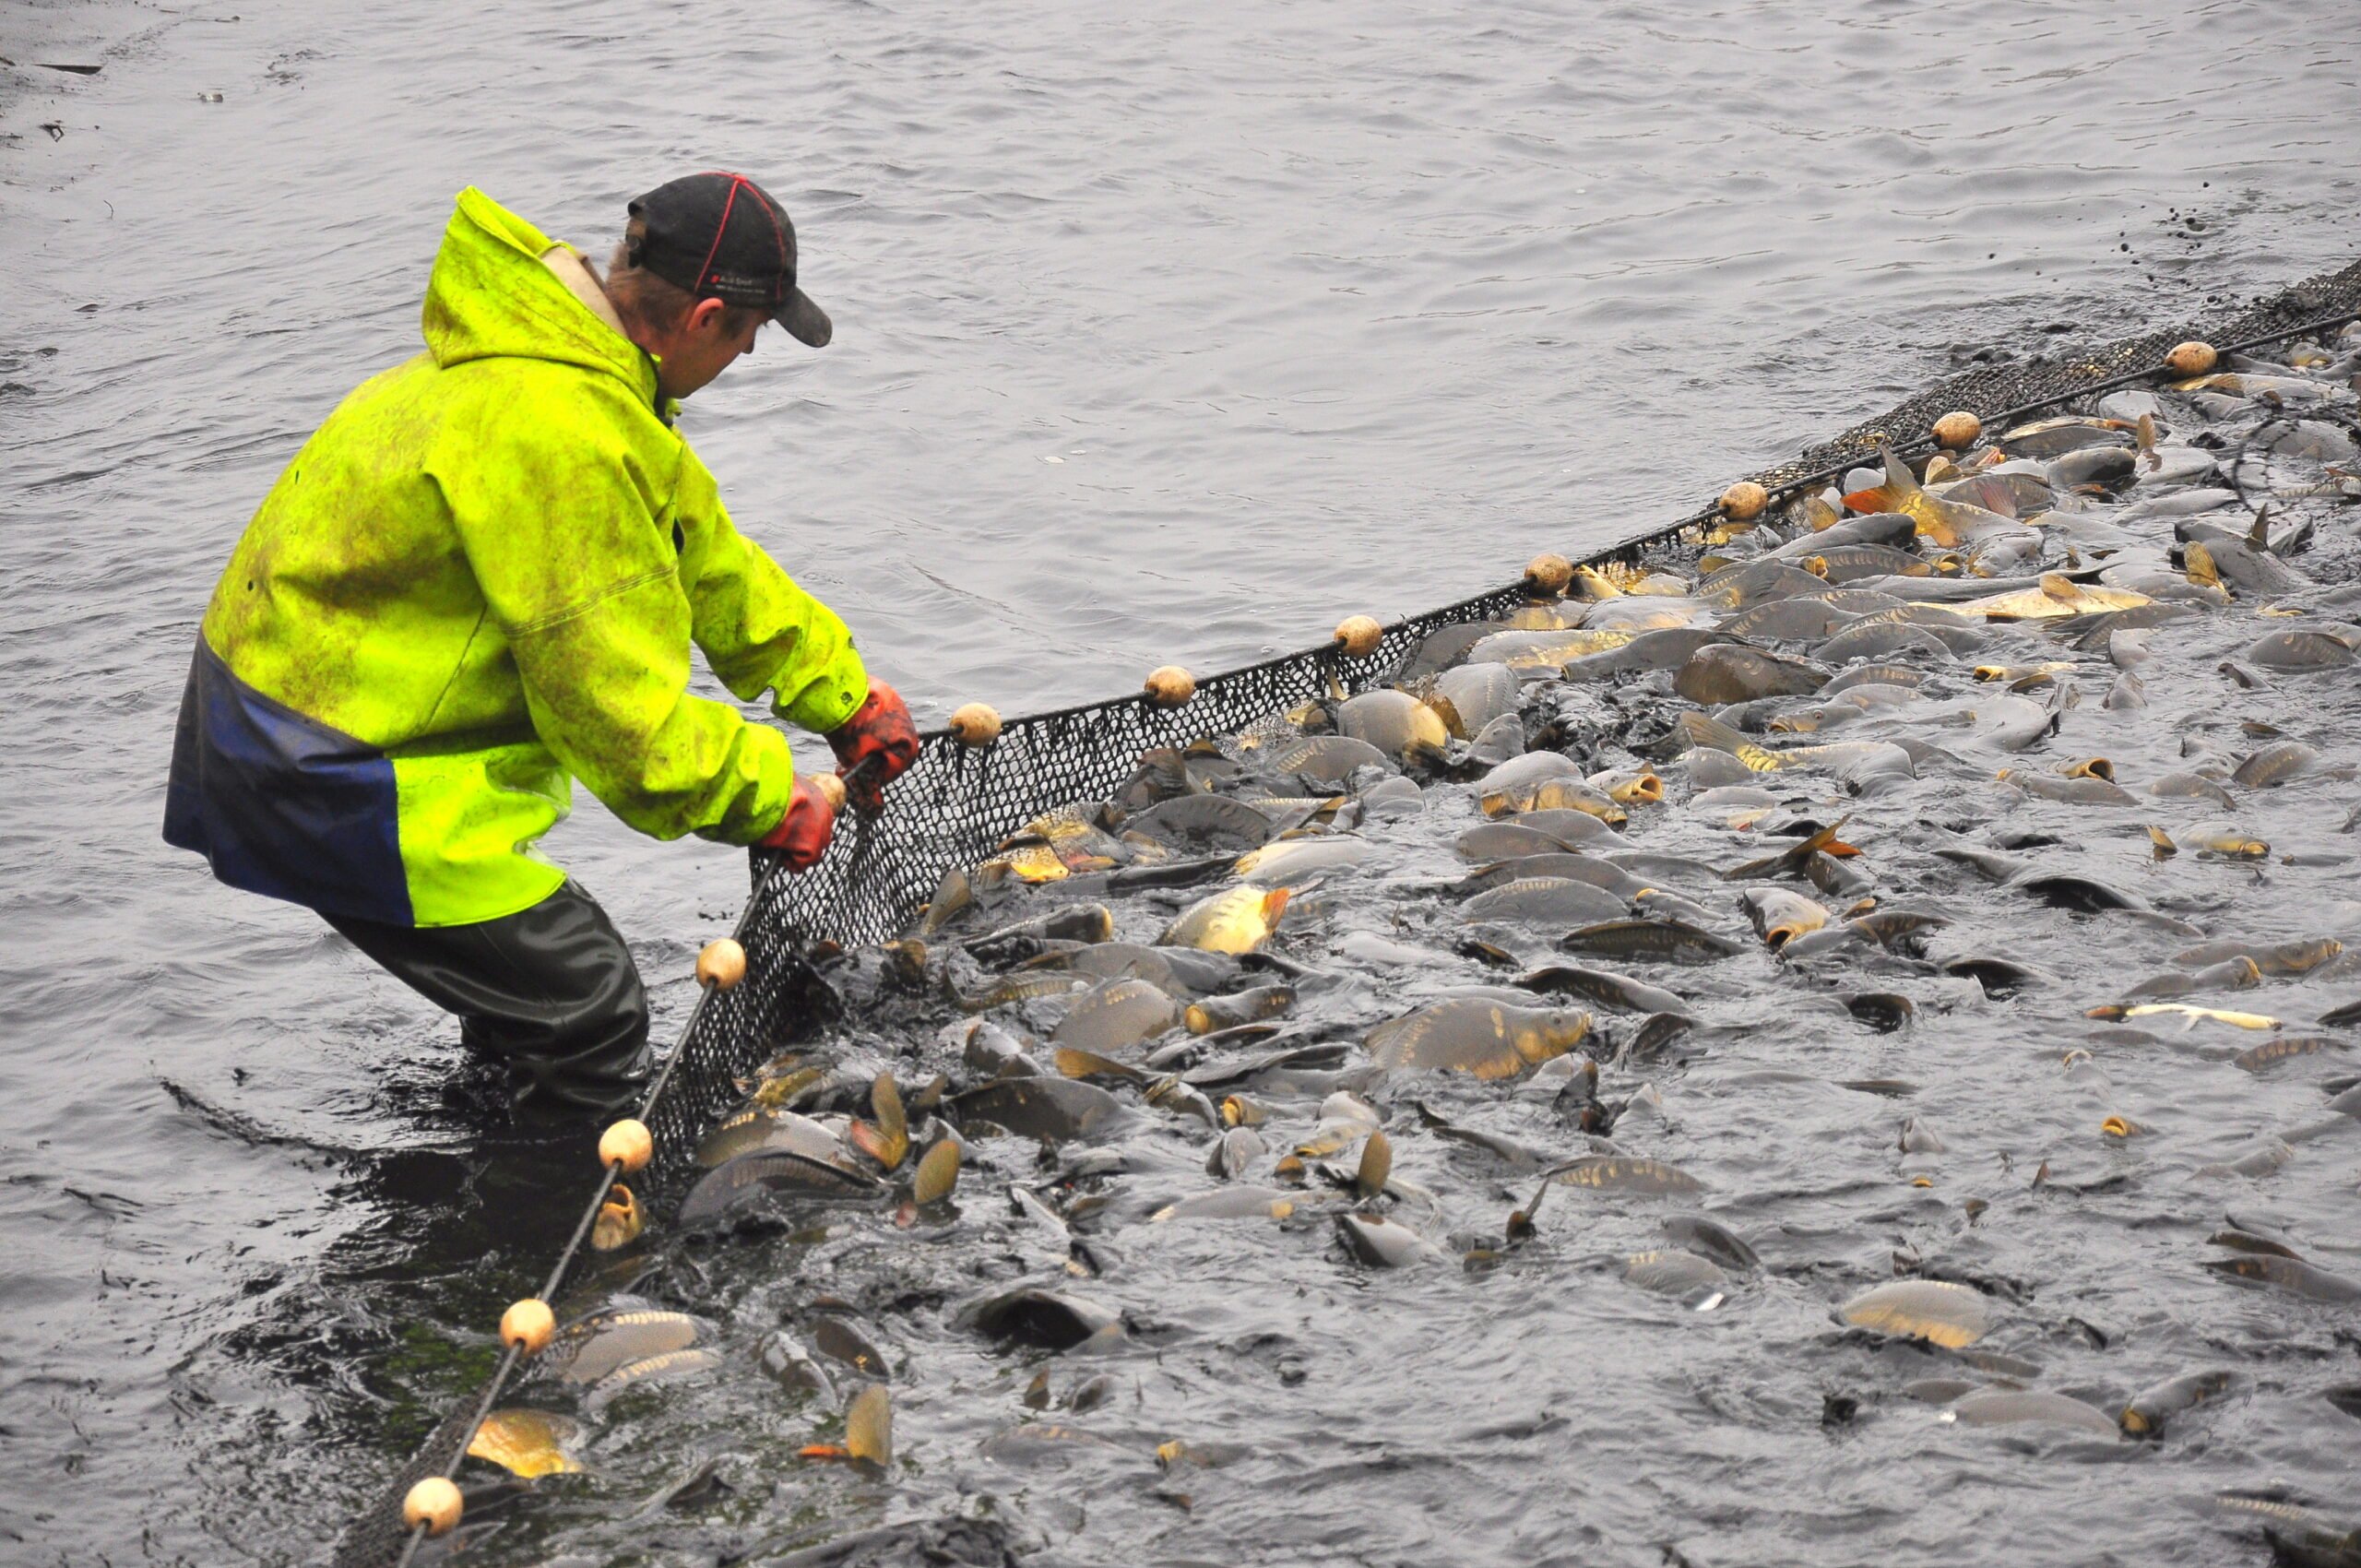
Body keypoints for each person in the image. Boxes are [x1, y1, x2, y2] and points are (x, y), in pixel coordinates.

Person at [163, 172, 919, 1117]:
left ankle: (480, 1139)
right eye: (750, 333)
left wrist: (842, 693)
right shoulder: (559, 433)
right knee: (589, 1007)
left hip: (307, 721)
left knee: (530, 996)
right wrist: (769, 797)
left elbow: (701, 556)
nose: (750, 350)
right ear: (706, 316)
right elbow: (615, 719)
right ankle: (549, 1238)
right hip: (318, 766)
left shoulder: (569, 371)